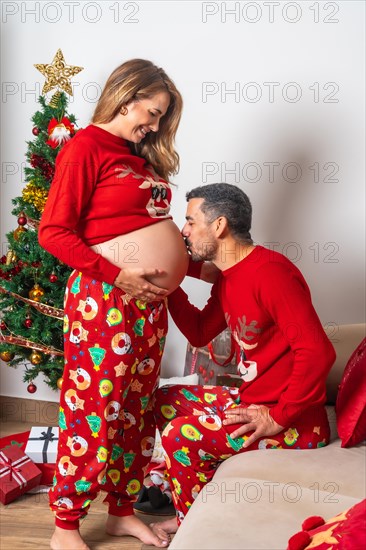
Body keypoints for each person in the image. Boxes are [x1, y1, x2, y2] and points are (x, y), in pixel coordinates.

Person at [38, 58, 187, 550]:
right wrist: (118, 274)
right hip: (105, 300)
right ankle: (66, 525)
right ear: (127, 96)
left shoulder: (136, 156)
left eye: (163, 116)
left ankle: (122, 512)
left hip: (147, 305)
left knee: (135, 411)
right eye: (154, 110)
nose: (157, 124)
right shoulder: (85, 147)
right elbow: (54, 233)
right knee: (93, 410)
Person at [151, 183, 336, 535]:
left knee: (178, 434)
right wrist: (170, 285)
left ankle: (192, 528)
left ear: (218, 226)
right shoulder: (229, 276)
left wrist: (279, 417)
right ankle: (200, 495)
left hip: (296, 426)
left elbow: (317, 351)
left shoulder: (270, 273)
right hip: (250, 401)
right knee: (166, 399)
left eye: (190, 221)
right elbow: (201, 331)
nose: (184, 232)